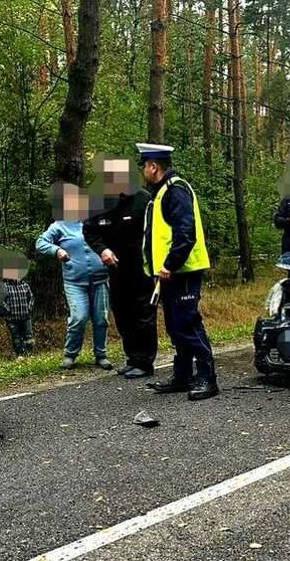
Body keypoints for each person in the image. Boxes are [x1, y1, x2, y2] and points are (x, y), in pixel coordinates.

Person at [137, 143, 218, 401]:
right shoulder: (161, 192)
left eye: (143, 166)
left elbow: (186, 234)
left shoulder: (176, 190)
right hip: (168, 274)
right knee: (175, 326)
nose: (142, 171)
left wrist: (170, 264)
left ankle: (207, 377)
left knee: (188, 323)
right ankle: (183, 375)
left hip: (182, 271)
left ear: (153, 166)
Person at [83, 157, 157, 379]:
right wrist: (102, 250)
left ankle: (144, 362)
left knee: (143, 314)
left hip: (141, 268)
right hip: (115, 268)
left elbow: (157, 231)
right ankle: (132, 358)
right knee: (123, 314)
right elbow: (89, 231)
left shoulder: (143, 199)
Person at [36, 182, 113, 370]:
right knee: (79, 317)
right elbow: (40, 242)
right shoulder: (59, 226)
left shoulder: (95, 220)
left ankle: (101, 355)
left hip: (100, 278)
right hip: (75, 281)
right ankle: (70, 354)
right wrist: (57, 251)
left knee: (101, 318)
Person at [0, 269, 35, 357]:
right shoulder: (5, 287)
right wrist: (8, 310)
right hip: (12, 318)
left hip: (25, 316)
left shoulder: (25, 285)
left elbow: (31, 297)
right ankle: (20, 355)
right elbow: (2, 301)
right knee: (16, 338)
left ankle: (30, 354)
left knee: (29, 337)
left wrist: (29, 308)